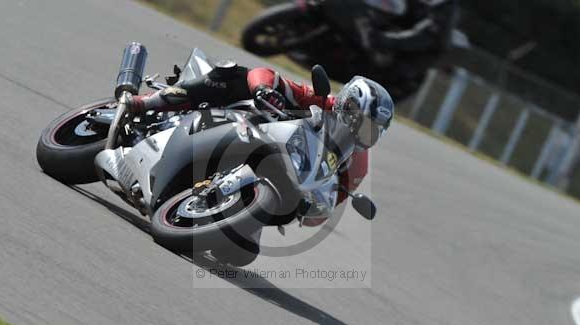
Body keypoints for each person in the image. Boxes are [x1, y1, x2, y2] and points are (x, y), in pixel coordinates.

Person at [127, 61, 393, 220]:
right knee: (231, 74)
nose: (363, 133)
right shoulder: (320, 101)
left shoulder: (356, 160)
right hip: (240, 124)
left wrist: (314, 207)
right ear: (348, 105)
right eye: (362, 123)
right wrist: (263, 89)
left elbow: (328, 205)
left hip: (278, 175)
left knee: (240, 254)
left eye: (372, 131)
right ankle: (145, 103)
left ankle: (217, 216)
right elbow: (265, 73)